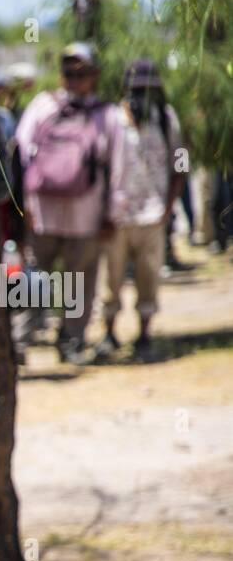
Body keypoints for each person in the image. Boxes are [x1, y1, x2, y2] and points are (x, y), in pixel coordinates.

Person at [13, 42, 123, 365]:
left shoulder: (45, 107)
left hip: (67, 215)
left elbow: (18, 154)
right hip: (57, 215)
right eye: (70, 73)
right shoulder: (103, 115)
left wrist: (110, 214)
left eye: (80, 73)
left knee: (46, 276)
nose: (74, 79)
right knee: (51, 278)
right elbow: (118, 169)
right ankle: (44, 337)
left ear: (94, 75)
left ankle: (48, 338)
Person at [93, 58, 184, 363]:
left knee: (148, 277)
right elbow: (99, 166)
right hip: (116, 216)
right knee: (111, 279)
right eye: (136, 89)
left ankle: (144, 336)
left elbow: (181, 163)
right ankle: (108, 333)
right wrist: (101, 211)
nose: (141, 95)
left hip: (153, 215)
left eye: (147, 89)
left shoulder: (167, 119)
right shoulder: (110, 119)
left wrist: (169, 205)